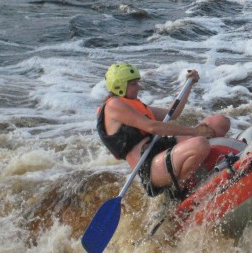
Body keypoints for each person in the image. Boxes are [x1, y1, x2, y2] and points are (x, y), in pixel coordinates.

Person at [96, 63, 230, 200]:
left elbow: (172, 113)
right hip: (149, 165)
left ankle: (200, 169)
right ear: (120, 86)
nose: (139, 87)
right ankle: (178, 193)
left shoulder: (133, 104)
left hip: (161, 148)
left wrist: (189, 85)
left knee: (219, 122)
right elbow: (152, 127)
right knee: (200, 143)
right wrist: (194, 131)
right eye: (134, 84)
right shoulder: (113, 106)